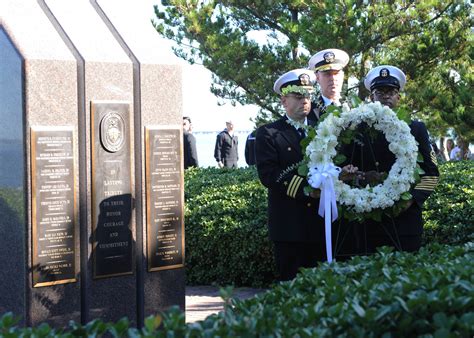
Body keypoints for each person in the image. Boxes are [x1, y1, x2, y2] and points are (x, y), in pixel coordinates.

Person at [339, 65, 439, 255]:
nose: (385, 97)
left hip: (405, 221)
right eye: (379, 92)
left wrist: (410, 200)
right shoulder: (356, 130)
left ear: (398, 97)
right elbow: (344, 170)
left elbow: (431, 174)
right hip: (368, 220)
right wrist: (359, 177)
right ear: (371, 97)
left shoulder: (416, 129)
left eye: (391, 92)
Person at [255, 68, 327, 281]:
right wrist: (309, 190)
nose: (305, 101)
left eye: (308, 96)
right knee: (292, 286)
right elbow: (269, 175)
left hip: (321, 223)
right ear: (284, 101)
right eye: (298, 96)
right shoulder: (269, 133)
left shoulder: (323, 129)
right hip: (290, 226)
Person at [307, 48, 350, 123]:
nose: (333, 78)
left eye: (336, 73)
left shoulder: (354, 107)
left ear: (343, 76)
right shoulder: (309, 111)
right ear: (317, 78)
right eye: (327, 74)